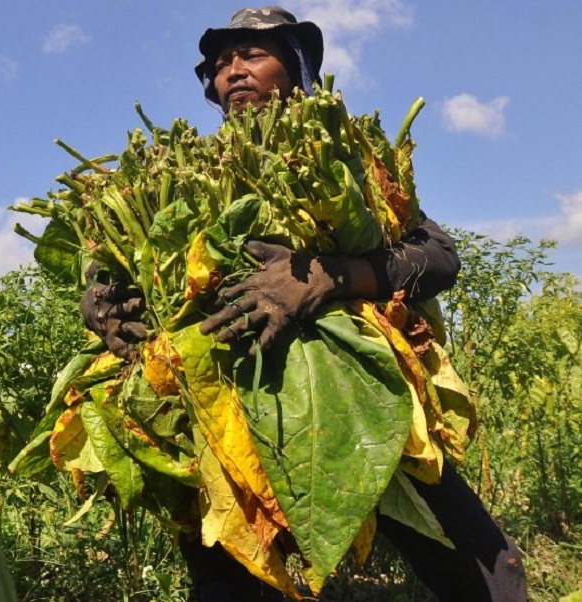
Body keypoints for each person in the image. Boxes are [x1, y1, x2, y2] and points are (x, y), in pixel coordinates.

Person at [81, 7, 527, 601]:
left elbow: (439, 257)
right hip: (223, 397)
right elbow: (125, 266)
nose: (234, 71)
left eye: (253, 55)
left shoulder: (344, 155)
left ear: (296, 69)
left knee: (480, 564)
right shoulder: (189, 170)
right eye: (221, 64)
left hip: (353, 385)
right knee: (233, 575)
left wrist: (327, 276)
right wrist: (102, 299)